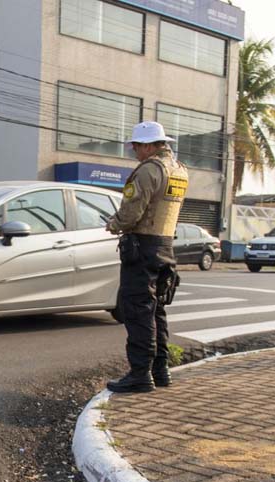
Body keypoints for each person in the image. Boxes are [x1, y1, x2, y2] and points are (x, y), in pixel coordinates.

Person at [105, 121, 189, 393]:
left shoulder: (150, 170)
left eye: (138, 147)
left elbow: (132, 212)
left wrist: (114, 223)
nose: (135, 152)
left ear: (151, 145)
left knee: (138, 311)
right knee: (157, 311)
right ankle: (160, 370)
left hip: (141, 247)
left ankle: (140, 374)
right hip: (165, 247)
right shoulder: (179, 170)